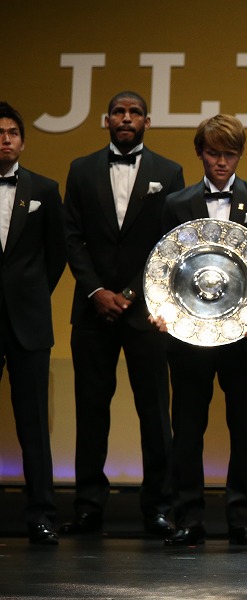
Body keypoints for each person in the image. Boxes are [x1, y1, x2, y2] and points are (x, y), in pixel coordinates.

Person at [62, 90, 184, 536]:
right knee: (91, 410)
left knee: (154, 412)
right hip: (92, 310)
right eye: (119, 111)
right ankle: (88, 505)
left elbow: (169, 242)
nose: (126, 118)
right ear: (106, 119)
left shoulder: (168, 172)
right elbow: (71, 237)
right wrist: (96, 290)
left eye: (134, 112)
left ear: (147, 122)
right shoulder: (81, 169)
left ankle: (159, 506)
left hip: (146, 311)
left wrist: (130, 292)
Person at [159, 114, 247, 547]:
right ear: (200, 153)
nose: (222, 162)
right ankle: (187, 517)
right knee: (187, 429)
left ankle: (244, 517)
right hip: (188, 338)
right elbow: (164, 266)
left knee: (245, 429)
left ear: (240, 154)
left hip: (245, 337)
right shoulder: (176, 203)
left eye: (229, 154)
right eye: (213, 153)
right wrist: (162, 310)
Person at [0, 101, 67, 545]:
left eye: (11, 132)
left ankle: (41, 514)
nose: (5, 139)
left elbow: (56, 253)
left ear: (22, 142)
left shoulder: (44, 188)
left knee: (34, 425)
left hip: (29, 321)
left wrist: (32, 294)